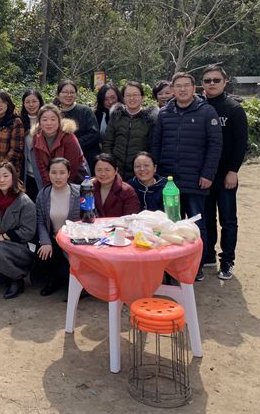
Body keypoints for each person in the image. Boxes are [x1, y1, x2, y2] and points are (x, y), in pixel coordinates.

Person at [152, 71, 222, 281]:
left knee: (195, 225)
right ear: (172, 90)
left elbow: (215, 145)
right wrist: (156, 173)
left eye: (186, 85)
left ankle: (196, 267)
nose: (182, 89)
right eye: (178, 86)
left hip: (195, 179)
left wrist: (208, 174)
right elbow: (156, 143)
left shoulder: (206, 111)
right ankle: (171, 266)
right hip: (168, 180)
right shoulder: (164, 113)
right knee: (169, 224)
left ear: (194, 88)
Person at [201, 65, 248, 281]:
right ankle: (209, 254)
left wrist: (233, 171)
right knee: (207, 217)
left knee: (228, 220)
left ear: (225, 82)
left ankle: (227, 260)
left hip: (226, 175)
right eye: (207, 80)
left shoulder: (234, 109)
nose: (211, 84)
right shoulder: (199, 107)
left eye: (216, 80)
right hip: (205, 175)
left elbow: (241, 143)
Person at [0, 162, 36, 299]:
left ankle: (17, 278)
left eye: (5, 176)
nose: (2, 180)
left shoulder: (24, 201)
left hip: (23, 245)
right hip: (1, 244)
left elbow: (28, 232)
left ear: (13, 177)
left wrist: (4, 236)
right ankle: (7, 275)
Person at [34, 158, 82, 296]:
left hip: (74, 240)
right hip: (54, 239)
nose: (58, 177)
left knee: (69, 271)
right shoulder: (43, 194)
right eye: (54, 172)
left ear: (69, 173)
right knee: (43, 258)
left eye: (62, 172)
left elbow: (89, 217)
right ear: (48, 174)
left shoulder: (79, 192)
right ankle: (53, 281)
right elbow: (40, 222)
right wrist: (45, 242)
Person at [102, 81, 158, 181]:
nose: (132, 98)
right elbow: (108, 143)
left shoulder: (150, 119)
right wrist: (110, 164)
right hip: (116, 171)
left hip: (140, 172)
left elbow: (153, 147)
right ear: (123, 98)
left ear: (142, 97)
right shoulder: (116, 116)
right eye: (128, 95)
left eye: (135, 95)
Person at [30, 104, 87, 192]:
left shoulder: (69, 137)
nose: (49, 123)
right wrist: (49, 188)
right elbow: (41, 167)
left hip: (74, 181)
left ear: (59, 120)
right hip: (51, 182)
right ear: (39, 122)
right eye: (44, 120)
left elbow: (72, 167)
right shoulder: (36, 138)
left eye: (53, 119)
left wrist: (61, 188)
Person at [55, 79, 100, 165]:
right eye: (65, 92)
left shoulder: (85, 111)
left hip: (85, 158)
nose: (69, 95)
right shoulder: (54, 113)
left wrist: (72, 144)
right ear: (58, 94)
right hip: (60, 160)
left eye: (72, 92)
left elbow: (94, 134)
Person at [92, 153, 140, 217]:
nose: (103, 174)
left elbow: (130, 218)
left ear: (116, 171)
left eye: (107, 170)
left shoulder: (127, 191)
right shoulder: (89, 188)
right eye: (99, 170)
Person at [21, 89, 45, 203]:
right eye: (27, 102)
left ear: (40, 102)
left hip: (44, 172)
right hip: (27, 173)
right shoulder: (20, 122)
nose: (31, 105)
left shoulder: (47, 120)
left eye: (34, 101)